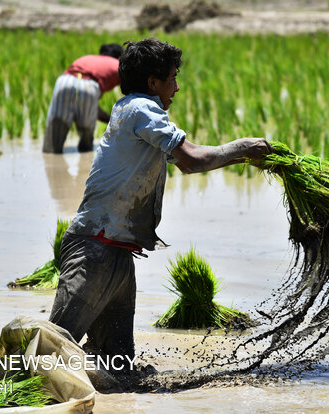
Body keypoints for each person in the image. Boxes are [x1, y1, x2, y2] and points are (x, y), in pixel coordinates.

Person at [48, 38, 272, 366]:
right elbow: (192, 159)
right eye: (172, 78)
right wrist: (243, 147)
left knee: (116, 367)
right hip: (94, 251)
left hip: (118, 254)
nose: (177, 87)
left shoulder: (131, 112)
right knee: (47, 353)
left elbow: (187, 158)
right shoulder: (141, 108)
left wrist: (243, 158)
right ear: (153, 83)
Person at [43, 43, 123, 154]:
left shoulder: (88, 59)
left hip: (64, 81)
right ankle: (85, 161)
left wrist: (110, 119)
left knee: (55, 131)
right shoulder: (117, 65)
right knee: (86, 134)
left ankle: (51, 159)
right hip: (89, 86)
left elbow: (92, 107)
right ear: (119, 57)